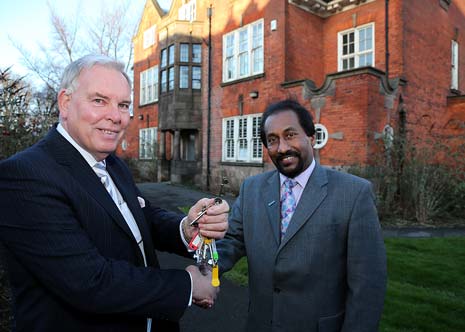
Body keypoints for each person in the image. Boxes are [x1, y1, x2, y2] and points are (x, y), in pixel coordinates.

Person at [0, 55, 229, 332]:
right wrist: (189, 285)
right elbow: (88, 282)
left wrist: (187, 227)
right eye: (99, 100)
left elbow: (140, 216)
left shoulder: (112, 163)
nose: (115, 116)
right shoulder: (26, 175)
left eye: (123, 105)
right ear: (65, 103)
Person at [216, 99, 387, 331]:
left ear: (312, 137)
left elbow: (368, 285)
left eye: (290, 135)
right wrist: (205, 269)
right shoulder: (252, 188)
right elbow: (232, 240)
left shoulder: (354, 193)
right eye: (272, 140)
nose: (282, 148)